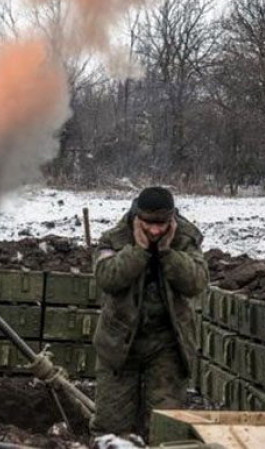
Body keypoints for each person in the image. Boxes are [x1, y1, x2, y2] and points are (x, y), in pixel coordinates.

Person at [90, 186, 209, 439]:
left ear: (172, 220)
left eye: (162, 224)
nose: (156, 231)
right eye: (148, 224)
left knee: (165, 429)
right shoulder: (115, 237)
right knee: (112, 428)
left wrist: (167, 254)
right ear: (137, 218)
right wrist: (139, 252)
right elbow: (107, 278)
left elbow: (197, 282)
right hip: (119, 345)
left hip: (168, 344)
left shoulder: (186, 238)